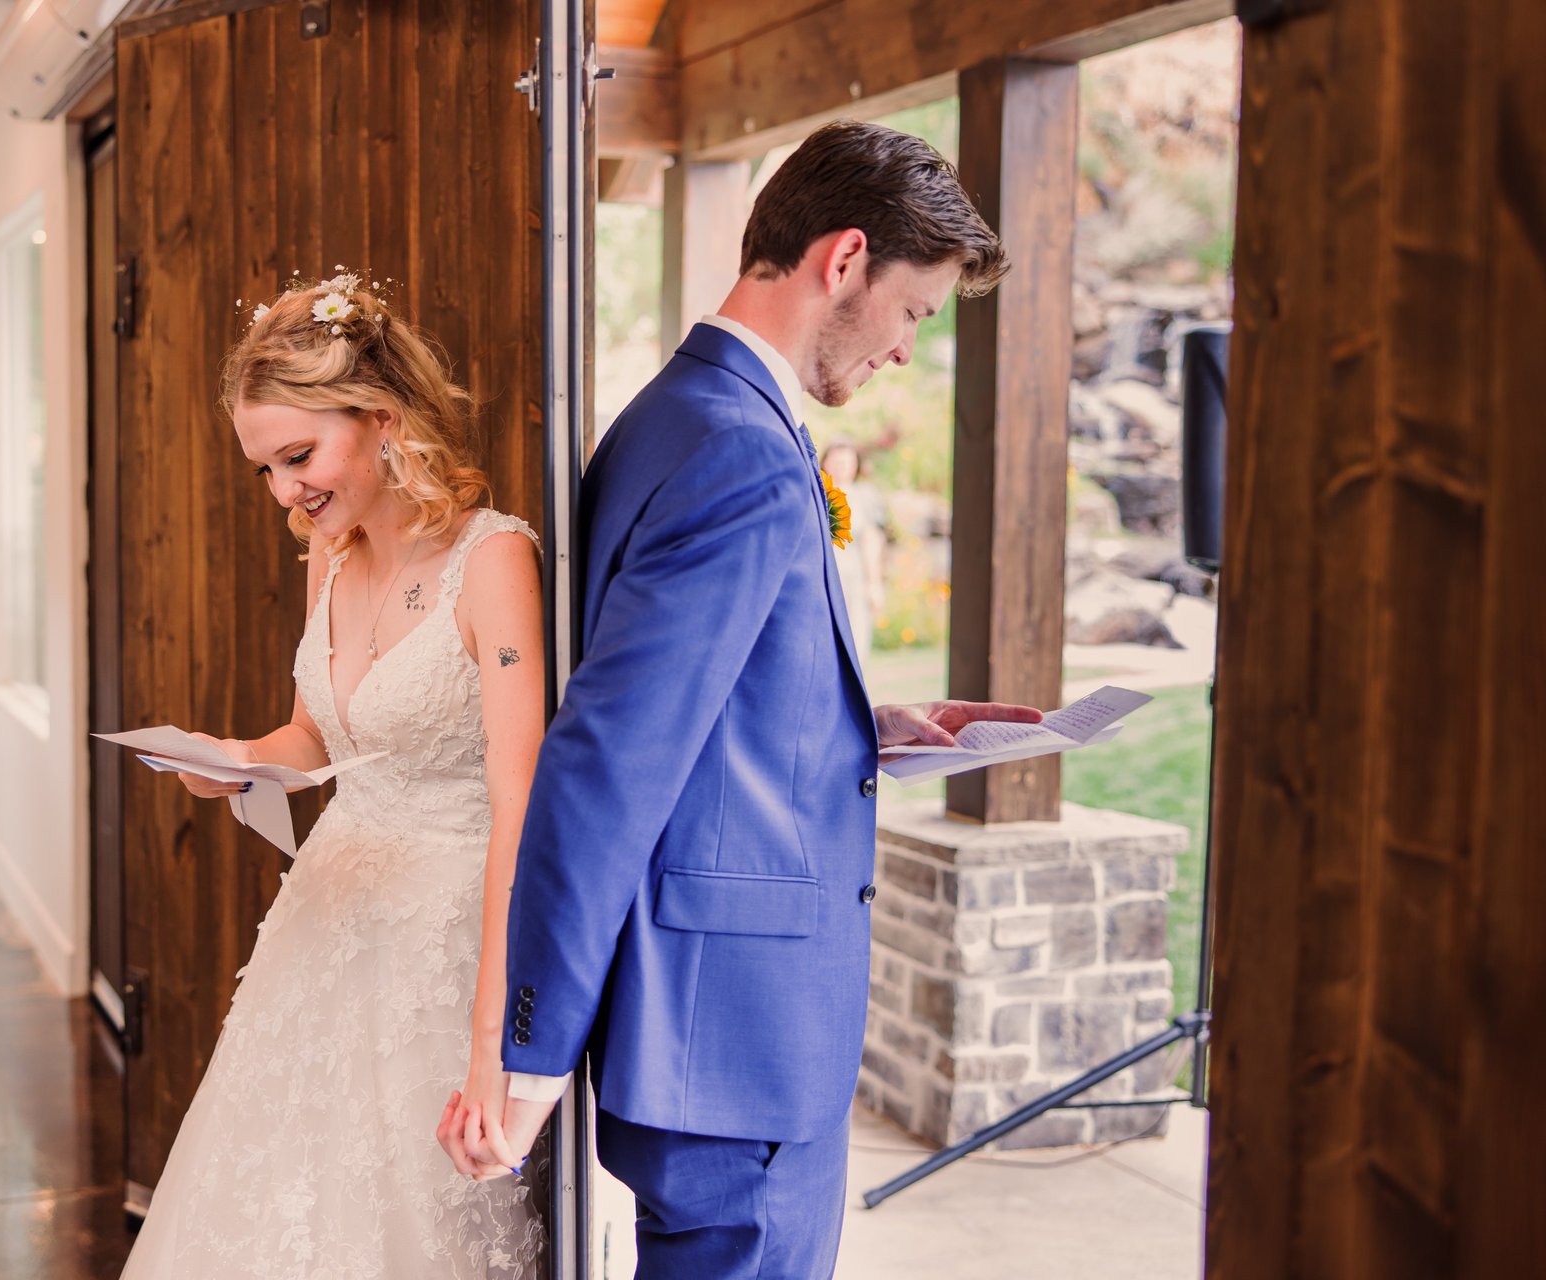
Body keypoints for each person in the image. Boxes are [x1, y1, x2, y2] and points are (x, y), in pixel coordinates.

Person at [459, 121, 1041, 1278]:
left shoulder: (675, 414)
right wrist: (530, 1056)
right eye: (916, 312)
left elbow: (697, 710)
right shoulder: (743, 452)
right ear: (845, 260)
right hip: (737, 1043)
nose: (908, 351)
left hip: (709, 1036)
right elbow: (608, 758)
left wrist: (867, 726)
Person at [121, 273, 544, 1278]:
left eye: (298, 456)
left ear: (382, 418)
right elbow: (316, 737)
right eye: (265, 468)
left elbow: (525, 810)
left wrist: (497, 1048)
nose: (285, 492)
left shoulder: (492, 563)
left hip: (440, 944)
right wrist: (232, 760)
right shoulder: (330, 550)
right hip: (326, 915)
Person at [819, 440, 887, 666]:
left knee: (856, 633)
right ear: (825, 461)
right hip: (822, 572)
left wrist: (874, 583)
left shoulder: (863, 496)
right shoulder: (817, 493)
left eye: (848, 461)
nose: (842, 466)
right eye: (837, 460)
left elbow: (871, 541)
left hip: (853, 573)